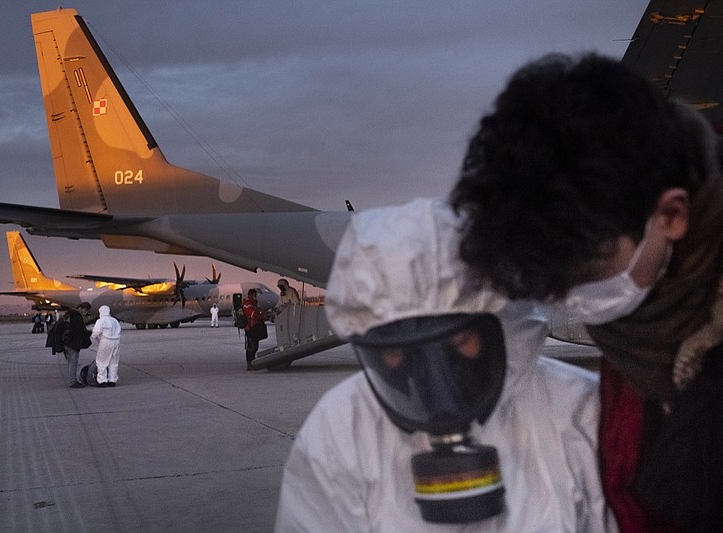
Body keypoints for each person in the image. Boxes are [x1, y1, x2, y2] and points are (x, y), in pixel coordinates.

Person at [450, 53, 723, 531]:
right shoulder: (646, 317)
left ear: (672, 216)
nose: (572, 298)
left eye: (587, 269)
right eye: (549, 280)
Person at [275, 198, 615, 531]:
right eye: (398, 354)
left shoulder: (578, 412)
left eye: (460, 342)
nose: (434, 381)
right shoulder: (339, 430)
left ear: (504, 328)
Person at [58, 302, 92, 389]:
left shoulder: (69, 314)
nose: (85, 312)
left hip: (66, 342)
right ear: (81, 308)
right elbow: (79, 330)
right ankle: (72, 381)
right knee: (73, 362)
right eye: (85, 310)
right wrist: (90, 333)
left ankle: (72, 380)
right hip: (72, 343)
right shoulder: (76, 315)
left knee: (70, 362)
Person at [90, 305, 121, 387]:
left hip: (106, 341)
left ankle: (102, 380)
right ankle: (112, 380)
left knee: (101, 361)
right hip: (116, 341)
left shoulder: (101, 321)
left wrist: (94, 337)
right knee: (114, 361)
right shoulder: (114, 320)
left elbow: (95, 333)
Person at [242, 288, 269, 371]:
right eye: (254, 295)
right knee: (251, 346)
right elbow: (253, 315)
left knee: (255, 345)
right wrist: (262, 316)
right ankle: (249, 364)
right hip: (250, 328)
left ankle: (252, 362)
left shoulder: (254, 304)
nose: (255, 297)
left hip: (255, 327)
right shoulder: (248, 305)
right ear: (250, 295)